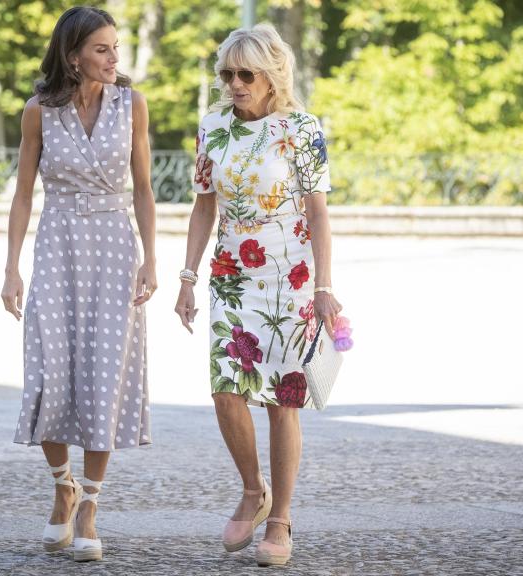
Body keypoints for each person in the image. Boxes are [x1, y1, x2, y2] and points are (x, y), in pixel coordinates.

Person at [174, 23, 342, 567]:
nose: (235, 83)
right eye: (227, 73)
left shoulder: (302, 128)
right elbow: (204, 205)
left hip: (289, 279)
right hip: (230, 274)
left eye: (246, 74)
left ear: (272, 77)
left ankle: (280, 519)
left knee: (281, 402)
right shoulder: (213, 126)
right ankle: (253, 488)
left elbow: (318, 212)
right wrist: (187, 276)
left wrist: (323, 285)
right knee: (227, 391)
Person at [1, 5, 157, 563]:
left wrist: (152, 260)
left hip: (115, 249)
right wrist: (11, 268)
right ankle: (61, 484)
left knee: (103, 374)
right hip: (59, 246)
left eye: (116, 48)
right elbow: (23, 194)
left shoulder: (131, 105)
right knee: (50, 370)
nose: (115, 59)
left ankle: (89, 503)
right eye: (102, 49)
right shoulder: (39, 111)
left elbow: (143, 188)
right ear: (73, 57)